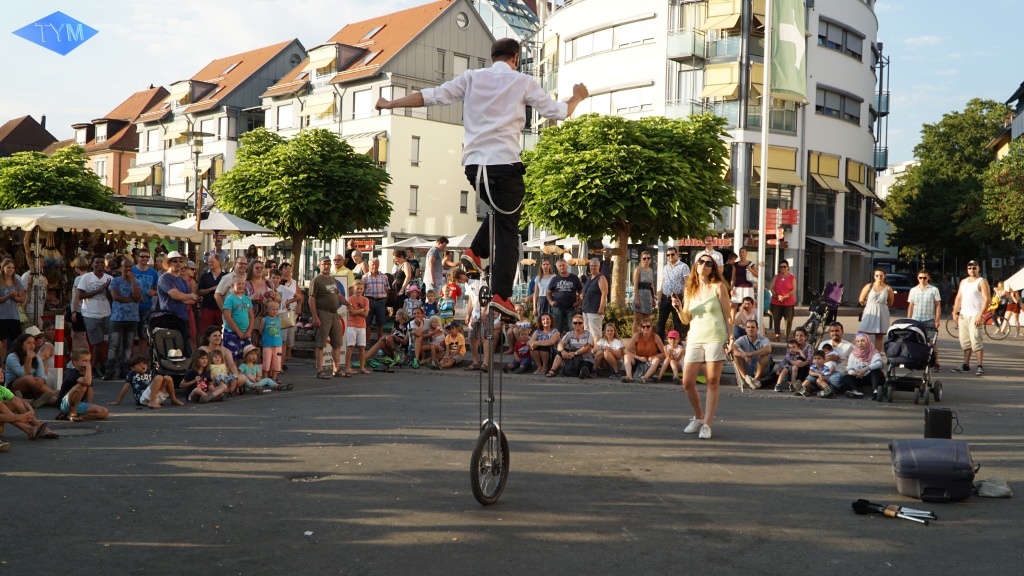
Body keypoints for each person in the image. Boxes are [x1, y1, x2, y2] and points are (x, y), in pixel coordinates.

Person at [376, 37, 588, 321]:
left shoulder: (471, 78)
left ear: (493, 58)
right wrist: (577, 96)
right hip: (506, 166)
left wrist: (390, 103)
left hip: (475, 169)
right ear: (516, 58)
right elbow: (559, 112)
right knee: (509, 230)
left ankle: (476, 253)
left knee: (500, 214)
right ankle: (501, 294)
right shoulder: (522, 81)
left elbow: (431, 95)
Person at [672, 252, 732, 440]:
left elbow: (728, 314)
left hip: (715, 336)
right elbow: (685, 319)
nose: (704, 265)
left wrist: (731, 338)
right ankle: (698, 416)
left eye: (708, 263)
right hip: (695, 337)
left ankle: (707, 424)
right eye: (701, 262)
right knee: (687, 382)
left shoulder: (719, 286)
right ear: (696, 266)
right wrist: (678, 307)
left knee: (712, 381)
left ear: (713, 268)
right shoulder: (690, 289)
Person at [311, 256, 350, 379]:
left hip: (334, 314)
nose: (327, 266)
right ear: (319, 265)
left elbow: (338, 295)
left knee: (337, 343)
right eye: (324, 264)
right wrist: (315, 317)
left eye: (328, 264)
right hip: (322, 313)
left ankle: (336, 368)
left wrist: (348, 303)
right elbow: (311, 299)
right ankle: (320, 370)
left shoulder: (333, 279)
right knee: (321, 343)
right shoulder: (316, 280)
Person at [951, 260, 990, 376]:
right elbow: (958, 298)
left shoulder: (982, 282)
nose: (972, 270)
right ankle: (966, 365)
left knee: (976, 341)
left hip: (975, 315)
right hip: (964, 315)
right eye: (969, 268)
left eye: (974, 268)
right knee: (965, 342)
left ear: (978, 268)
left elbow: (987, 299)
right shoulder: (963, 282)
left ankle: (980, 366)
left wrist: (980, 315)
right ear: (967, 269)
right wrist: (955, 312)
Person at [106, 257, 142, 381]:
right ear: (121, 268)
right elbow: (116, 297)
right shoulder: (115, 281)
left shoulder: (137, 282)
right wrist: (132, 299)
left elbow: (137, 296)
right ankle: (109, 371)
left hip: (132, 318)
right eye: (125, 267)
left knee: (128, 346)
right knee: (114, 345)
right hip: (117, 317)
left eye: (129, 267)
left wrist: (132, 281)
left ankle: (124, 370)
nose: (127, 269)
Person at [76, 256, 113, 377]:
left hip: (106, 314)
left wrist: (107, 290)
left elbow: (113, 298)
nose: (100, 264)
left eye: (102, 262)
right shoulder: (86, 277)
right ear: (92, 264)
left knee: (102, 342)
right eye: (97, 262)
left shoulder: (110, 278)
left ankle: (98, 367)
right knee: (98, 342)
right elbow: (80, 295)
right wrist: (99, 289)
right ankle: (96, 367)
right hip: (90, 314)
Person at [108, 355, 181, 409]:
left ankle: (173, 399)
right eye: (139, 365)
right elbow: (125, 388)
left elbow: (155, 384)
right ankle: (152, 401)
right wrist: (117, 401)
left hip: (155, 396)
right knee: (159, 377)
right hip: (143, 398)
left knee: (167, 378)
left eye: (144, 364)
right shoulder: (132, 374)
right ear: (133, 368)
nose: (143, 366)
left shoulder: (150, 372)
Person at [57, 349, 109, 421]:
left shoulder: (87, 374)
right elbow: (86, 383)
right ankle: (72, 413)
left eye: (89, 361)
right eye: (84, 361)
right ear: (75, 363)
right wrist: (88, 368)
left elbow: (89, 389)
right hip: (65, 404)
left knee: (104, 412)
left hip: (78, 403)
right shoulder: (73, 374)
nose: (87, 363)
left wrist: (89, 405)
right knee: (82, 386)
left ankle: (76, 416)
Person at [4, 332, 53, 408]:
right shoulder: (12, 357)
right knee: (28, 378)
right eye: (28, 343)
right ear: (20, 344)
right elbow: (23, 374)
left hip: (32, 385)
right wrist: (29, 358)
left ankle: (56, 400)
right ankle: (55, 394)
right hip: (13, 386)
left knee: (51, 400)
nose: (32, 345)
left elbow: (41, 374)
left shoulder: (36, 357)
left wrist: (41, 380)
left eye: (33, 343)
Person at [273, 263, 303, 370]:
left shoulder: (287, 286)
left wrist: (287, 302)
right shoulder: (268, 287)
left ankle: (280, 365)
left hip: (284, 314)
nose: (275, 280)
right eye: (273, 278)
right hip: (271, 316)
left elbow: (298, 296)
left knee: (284, 340)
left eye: (277, 278)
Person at [157, 251, 199, 326]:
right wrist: (190, 295)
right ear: (168, 263)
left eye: (180, 261)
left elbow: (192, 301)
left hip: (183, 318)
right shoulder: (164, 278)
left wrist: (180, 297)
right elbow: (175, 295)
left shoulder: (182, 280)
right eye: (175, 261)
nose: (178, 263)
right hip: (169, 319)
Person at [656, 247, 689, 341]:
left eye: (672, 254)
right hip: (665, 297)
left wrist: (685, 298)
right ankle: (660, 345)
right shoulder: (665, 267)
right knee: (661, 322)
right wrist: (659, 298)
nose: (670, 256)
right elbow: (663, 282)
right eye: (668, 255)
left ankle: (677, 344)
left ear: (677, 254)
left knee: (677, 322)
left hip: (677, 297)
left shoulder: (683, 266)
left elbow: (687, 283)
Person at [547, 314, 595, 379]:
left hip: (585, 358)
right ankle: (552, 370)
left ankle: (583, 372)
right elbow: (560, 344)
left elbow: (587, 348)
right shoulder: (569, 334)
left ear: (583, 324)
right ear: (572, 324)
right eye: (575, 323)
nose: (577, 324)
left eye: (580, 323)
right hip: (573, 358)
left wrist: (575, 353)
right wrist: (563, 351)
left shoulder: (588, 334)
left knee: (584, 367)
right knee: (559, 353)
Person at [857, 268, 894, 351]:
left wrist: (881, 306)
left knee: (879, 335)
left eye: (881, 275)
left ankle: (876, 355)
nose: (879, 277)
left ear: (884, 276)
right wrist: (868, 306)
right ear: (874, 276)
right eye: (877, 275)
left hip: (882, 312)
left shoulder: (888, 288)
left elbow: (891, 302)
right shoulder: (869, 286)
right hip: (870, 311)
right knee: (861, 333)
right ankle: (861, 353)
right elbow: (861, 299)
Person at [246, 260, 281, 347]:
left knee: (268, 348)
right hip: (252, 322)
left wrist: (274, 296)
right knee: (254, 346)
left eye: (261, 268)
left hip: (269, 321)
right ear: (251, 270)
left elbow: (279, 299)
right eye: (256, 268)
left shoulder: (268, 283)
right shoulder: (247, 284)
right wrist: (251, 298)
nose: (259, 270)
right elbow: (239, 301)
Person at [132, 248, 160, 356]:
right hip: (132, 307)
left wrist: (154, 292)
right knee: (130, 335)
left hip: (146, 307)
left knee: (143, 335)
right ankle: (130, 360)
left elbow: (158, 289)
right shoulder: (132, 271)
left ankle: (141, 359)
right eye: (142, 256)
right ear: (137, 257)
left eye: (147, 256)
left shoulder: (153, 273)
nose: (145, 258)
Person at [731, 319, 771, 391]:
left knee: (764, 356)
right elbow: (732, 349)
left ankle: (756, 379)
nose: (750, 329)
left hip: (759, 366)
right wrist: (743, 355)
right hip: (747, 365)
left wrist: (750, 354)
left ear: (757, 329)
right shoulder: (742, 339)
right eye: (748, 327)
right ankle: (745, 378)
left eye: (752, 327)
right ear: (745, 329)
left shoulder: (763, 339)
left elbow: (768, 349)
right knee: (736, 356)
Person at [621, 319, 666, 384]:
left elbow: (664, 353)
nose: (646, 328)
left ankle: (644, 378)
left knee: (656, 360)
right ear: (641, 328)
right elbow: (626, 350)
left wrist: (654, 357)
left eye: (648, 326)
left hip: (650, 363)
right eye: (643, 327)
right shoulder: (637, 336)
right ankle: (629, 377)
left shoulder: (656, 337)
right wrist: (639, 358)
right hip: (638, 360)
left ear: (651, 327)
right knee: (626, 356)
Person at [842, 333, 885, 399]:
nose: (860, 343)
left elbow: (880, 363)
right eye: (858, 341)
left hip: (872, 378)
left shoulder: (873, 352)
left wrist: (865, 369)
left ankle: (875, 392)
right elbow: (849, 368)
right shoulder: (853, 354)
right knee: (846, 377)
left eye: (863, 341)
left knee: (876, 371)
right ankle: (856, 392)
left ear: (867, 341)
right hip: (859, 377)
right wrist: (853, 373)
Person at [221, 276, 254, 363]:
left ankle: (241, 375)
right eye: (238, 284)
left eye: (242, 284)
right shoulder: (229, 299)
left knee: (244, 357)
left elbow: (251, 315)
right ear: (232, 285)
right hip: (232, 333)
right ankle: (231, 376)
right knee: (230, 358)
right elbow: (227, 316)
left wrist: (249, 331)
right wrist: (238, 332)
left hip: (245, 333)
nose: (241, 286)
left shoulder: (247, 299)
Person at [547, 258, 583, 334]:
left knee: (572, 328)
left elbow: (581, 292)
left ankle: (573, 344)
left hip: (571, 307)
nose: (562, 267)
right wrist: (551, 302)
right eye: (560, 266)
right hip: (558, 307)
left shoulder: (574, 278)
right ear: (557, 268)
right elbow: (548, 292)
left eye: (563, 265)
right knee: (557, 329)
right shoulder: (555, 279)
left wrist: (578, 303)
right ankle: (558, 345)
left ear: (567, 266)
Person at [818, 322, 854, 393]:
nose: (834, 333)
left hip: (838, 372)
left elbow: (854, 362)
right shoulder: (823, 344)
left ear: (842, 332)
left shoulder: (849, 346)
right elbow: (816, 361)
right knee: (812, 379)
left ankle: (828, 391)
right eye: (832, 331)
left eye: (837, 331)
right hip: (823, 371)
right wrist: (830, 358)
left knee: (832, 380)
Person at [197, 253, 226, 337]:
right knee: (205, 333)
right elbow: (199, 292)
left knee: (221, 333)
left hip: (222, 309)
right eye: (209, 262)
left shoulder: (226, 276)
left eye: (212, 262)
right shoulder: (204, 276)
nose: (210, 264)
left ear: (218, 262)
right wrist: (212, 289)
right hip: (207, 308)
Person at [580, 258, 608, 343]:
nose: (593, 267)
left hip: (595, 309)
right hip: (586, 309)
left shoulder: (601, 277)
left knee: (595, 332)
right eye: (591, 265)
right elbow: (585, 291)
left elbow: (604, 293)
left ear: (599, 266)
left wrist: (601, 307)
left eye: (595, 266)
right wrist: (581, 295)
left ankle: (597, 352)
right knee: (587, 332)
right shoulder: (589, 277)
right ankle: (590, 352)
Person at [362, 258, 389, 344]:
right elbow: (362, 291)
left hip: (381, 301)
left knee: (380, 322)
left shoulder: (384, 276)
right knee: (368, 322)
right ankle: (367, 342)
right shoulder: (365, 277)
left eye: (376, 264)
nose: (375, 266)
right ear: (369, 266)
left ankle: (379, 342)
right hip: (369, 300)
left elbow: (387, 289)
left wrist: (384, 301)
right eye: (373, 264)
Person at [346, 281, 370, 375]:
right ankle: (348, 367)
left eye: (361, 288)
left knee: (362, 347)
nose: (359, 290)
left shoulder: (366, 300)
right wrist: (361, 310)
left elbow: (366, 314)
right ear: (354, 289)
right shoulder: (350, 299)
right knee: (350, 346)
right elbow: (350, 312)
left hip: (362, 326)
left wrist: (357, 311)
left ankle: (362, 367)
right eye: (357, 288)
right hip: (351, 325)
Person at [769, 261, 797, 342]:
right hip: (776, 301)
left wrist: (785, 296)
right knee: (776, 318)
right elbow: (771, 288)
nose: (783, 268)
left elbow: (794, 289)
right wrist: (777, 295)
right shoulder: (776, 277)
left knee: (788, 319)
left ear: (788, 267)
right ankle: (777, 335)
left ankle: (787, 336)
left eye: (784, 266)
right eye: (781, 267)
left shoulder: (792, 277)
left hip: (788, 302)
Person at [632, 251, 656, 335]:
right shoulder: (638, 269)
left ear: (650, 260)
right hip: (640, 294)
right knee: (638, 320)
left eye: (648, 258)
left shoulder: (650, 270)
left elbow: (651, 285)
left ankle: (644, 337)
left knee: (646, 321)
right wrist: (637, 299)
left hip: (648, 295)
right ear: (641, 260)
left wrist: (653, 298)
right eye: (644, 258)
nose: (646, 260)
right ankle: (635, 339)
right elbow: (635, 285)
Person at [261, 300, 284, 382]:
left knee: (277, 362)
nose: (275, 311)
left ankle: (274, 379)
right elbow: (261, 330)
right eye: (273, 309)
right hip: (267, 344)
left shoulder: (279, 319)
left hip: (278, 344)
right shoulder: (264, 320)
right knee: (266, 362)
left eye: (277, 309)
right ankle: (266, 379)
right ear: (267, 310)